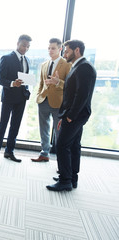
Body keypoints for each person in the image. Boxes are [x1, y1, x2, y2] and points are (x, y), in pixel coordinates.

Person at [46, 40, 96, 191]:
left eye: (67, 51)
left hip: (75, 115)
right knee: (74, 145)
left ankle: (65, 180)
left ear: (77, 50)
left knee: (62, 145)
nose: (64, 53)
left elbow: (81, 95)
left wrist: (70, 116)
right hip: (73, 114)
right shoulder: (79, 66)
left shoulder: (84, 68)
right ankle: (72, 177)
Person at [0, 34, 32, 168]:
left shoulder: (27, 60)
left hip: (21, 98)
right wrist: (13, 83)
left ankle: (9, 151)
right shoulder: (7, 58)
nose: (25, 48)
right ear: (18, 43)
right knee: (2, 126)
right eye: (24, 45)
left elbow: (25, 78)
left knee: (15, 126)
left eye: (28, 46)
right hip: (8, 97)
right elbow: (1, 79)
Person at [31, 38, 71, 162]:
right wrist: (39, 95)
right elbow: (41, 83)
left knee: (59, 132)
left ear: (60, 49)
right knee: (44, 128)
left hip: (59, 103)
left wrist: (57, 82)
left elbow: (70, 86)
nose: (50, 50)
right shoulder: (44, 65)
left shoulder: (66, 65)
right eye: (49, 48)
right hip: (43, 100)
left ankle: (61, 159)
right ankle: (44, 153)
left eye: (53, 48)